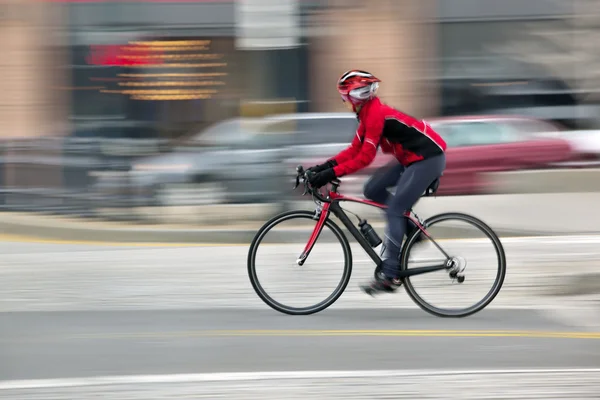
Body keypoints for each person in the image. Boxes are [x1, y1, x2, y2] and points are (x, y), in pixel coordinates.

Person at [306, 69, 447, 295]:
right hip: (411, 159)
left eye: (345, 97)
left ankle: (390, 275)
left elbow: (365, 158)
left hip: (428, 159)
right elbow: (354, 150)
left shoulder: (375, 114)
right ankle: (413, 233)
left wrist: (330, 174)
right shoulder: (367, 114)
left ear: (356, 96)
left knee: (394, 211)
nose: (344, 102)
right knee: (372, 189)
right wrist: (322, 168)